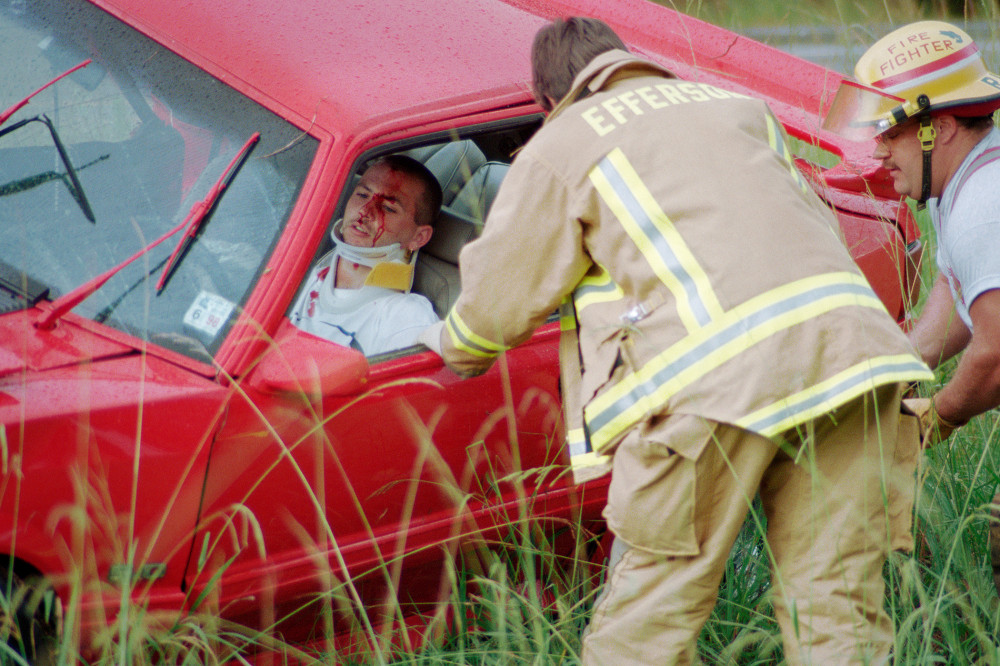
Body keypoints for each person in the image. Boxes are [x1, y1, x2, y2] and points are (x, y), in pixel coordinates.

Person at [421, 16, 934, 665]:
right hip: (858, 361)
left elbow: (491, 315)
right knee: (835, 605)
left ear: (548, 101)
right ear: (625, 61)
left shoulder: (564, 144)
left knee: (650, 617)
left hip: (708, 391)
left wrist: (443, 338)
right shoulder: (738, 107)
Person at [826, 20, 1000, 587]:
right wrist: (897, 365)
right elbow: (956, 289)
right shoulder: (964, 183)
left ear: (939, 127)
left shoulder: (983, 205)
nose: (878, 151)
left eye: (891, 134)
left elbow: (995, 357)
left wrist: (931, 423)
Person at [290, 154, 442, 356]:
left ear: (419, 237)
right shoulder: (294, 275)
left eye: (388, 208)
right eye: (362, 195)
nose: (364, 212)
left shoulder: (405, 317)